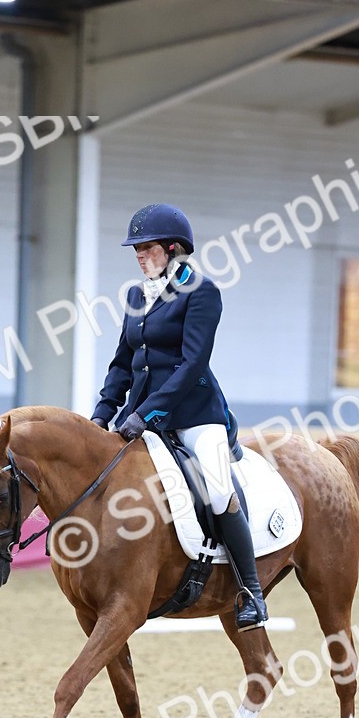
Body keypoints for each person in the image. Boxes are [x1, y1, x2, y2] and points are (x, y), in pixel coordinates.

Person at [91, 203, 268, 631]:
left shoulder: (201, 292)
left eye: (146, 248)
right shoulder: (136, 295)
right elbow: (122, 361)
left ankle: (250, 592)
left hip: (195, 415)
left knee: (218, 489)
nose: (138, 255)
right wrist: (102, 415)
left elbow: (192, 364)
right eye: (135, 249)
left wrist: (148, 412)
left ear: (172, 249)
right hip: (140, 416)